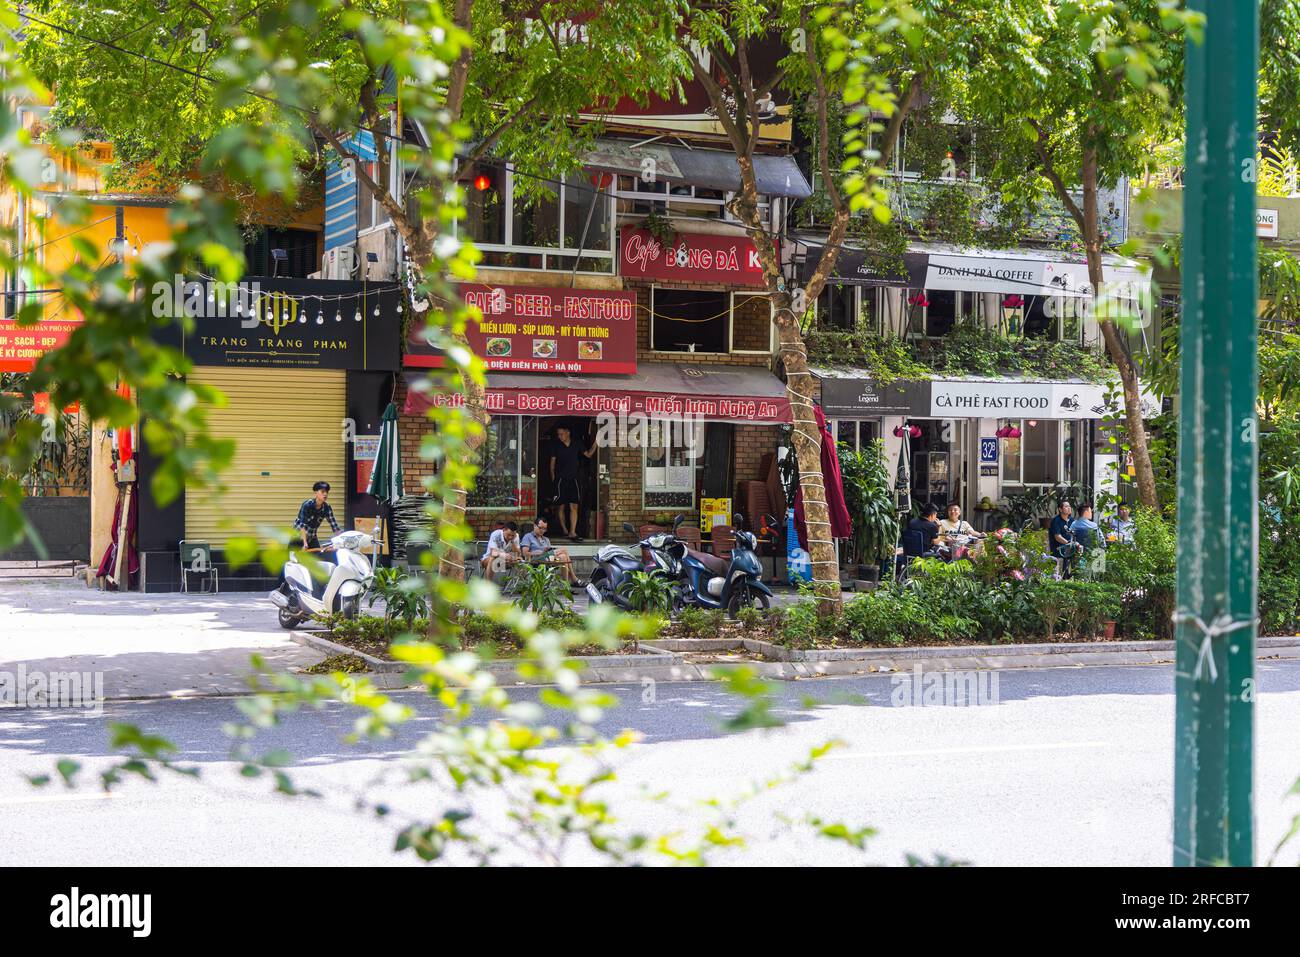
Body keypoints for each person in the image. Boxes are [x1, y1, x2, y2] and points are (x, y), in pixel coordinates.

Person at [550, 425, 595, 542]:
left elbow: (588, 454)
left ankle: (572, 531)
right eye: (558, 434)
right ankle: (564, 530)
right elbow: (552, 465)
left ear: (567, 432)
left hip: (573, 479)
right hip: (560, 480)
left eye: (562, 434)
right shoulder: (556, 445)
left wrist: (596, 443)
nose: (560, 437)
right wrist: (554, 480)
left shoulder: (576, 443)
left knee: (574, 506)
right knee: (561, 506)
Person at [520, 517, 578, 587]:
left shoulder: (546, 539)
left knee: (563, 557)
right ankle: (574, 578)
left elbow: (550, 554)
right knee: (564, 550)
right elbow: (525, 553)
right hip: (535, 561)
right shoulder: (528, 536)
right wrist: (540, 552)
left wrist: (549, 551)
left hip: (548, 560)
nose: (542, 530)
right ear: (534, 525)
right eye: (540, 528)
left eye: (544, 529)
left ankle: (565, 586)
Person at [295, 481, 340, 553]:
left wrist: (341, 539)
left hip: (312, 536)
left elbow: (334, 525)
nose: (325, 494)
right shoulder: (307, 505)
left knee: (317, 557)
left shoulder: (327, 507)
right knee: (292, 559)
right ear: (316, 493)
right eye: (322, 492)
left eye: (327, 492)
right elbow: (302, 526)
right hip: (298, 535)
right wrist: (305, 543)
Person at [1049, 500, 1081, 579]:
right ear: (1060, 509)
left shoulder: (1071, 520)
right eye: (1066, 506)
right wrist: (1069, 543)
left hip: (1070, 547)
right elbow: (1057, 537)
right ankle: (1065, 577)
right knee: (1068, 554)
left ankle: (1076, 577)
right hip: (1059, 548)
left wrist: (1076, 543)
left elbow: (1075, 533)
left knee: (1080, 550)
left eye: (1069, 506)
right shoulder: (1056, 521)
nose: (1069, 508)